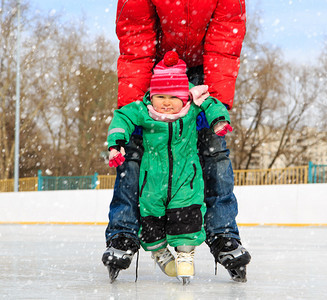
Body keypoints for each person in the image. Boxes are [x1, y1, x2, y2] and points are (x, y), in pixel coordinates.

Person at [102, 0, 251, 282]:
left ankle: (223, 233)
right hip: (155, 71)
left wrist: (214, 103)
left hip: (203, 71)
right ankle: (123, 231)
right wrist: (133, 107)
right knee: (132, 152)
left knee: (214, 152)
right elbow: (137, 34)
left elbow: (224, 39)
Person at [107, 51, 233, 284]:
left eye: (174, 97)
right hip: (152, 182)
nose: (166, 103)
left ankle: (186, 254)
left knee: (187, 216)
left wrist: (218, 120)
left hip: (186, 179)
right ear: (151, 96)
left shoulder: (191, 109)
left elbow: (211, 102)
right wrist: (116, 142)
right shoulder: (144, 111)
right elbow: (122, 116)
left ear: (184, 97)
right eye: (160, 96)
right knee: (150, 220)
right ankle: (160, 253)